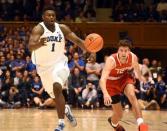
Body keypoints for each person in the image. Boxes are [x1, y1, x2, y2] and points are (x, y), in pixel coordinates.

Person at [28, 5, 87, 131]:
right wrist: (38, 44)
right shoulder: (38, 29)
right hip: (43, 68)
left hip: (60, 63)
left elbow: (77, 40)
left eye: (53, 15)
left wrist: (88, 49)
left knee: (57, 87)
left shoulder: (62, 28)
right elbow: (30, 46)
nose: (51, 17)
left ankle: (61, 123)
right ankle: (66, 109)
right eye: (48, 15)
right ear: (43, 17)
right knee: (55, 96)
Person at [100, 40, 148, 131]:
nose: (123, 53)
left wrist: (141, 79)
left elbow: (137, 70)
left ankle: (141, 124)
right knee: (119, 114)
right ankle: (114, 123)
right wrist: (105, 93)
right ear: (118, 50)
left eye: (125, 51)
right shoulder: (111, 60)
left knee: (132, 95)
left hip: (124, 78)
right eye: (121, 50)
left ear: (129, 51)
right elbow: (102, 79)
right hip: (111, 84)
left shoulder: (133, 57)